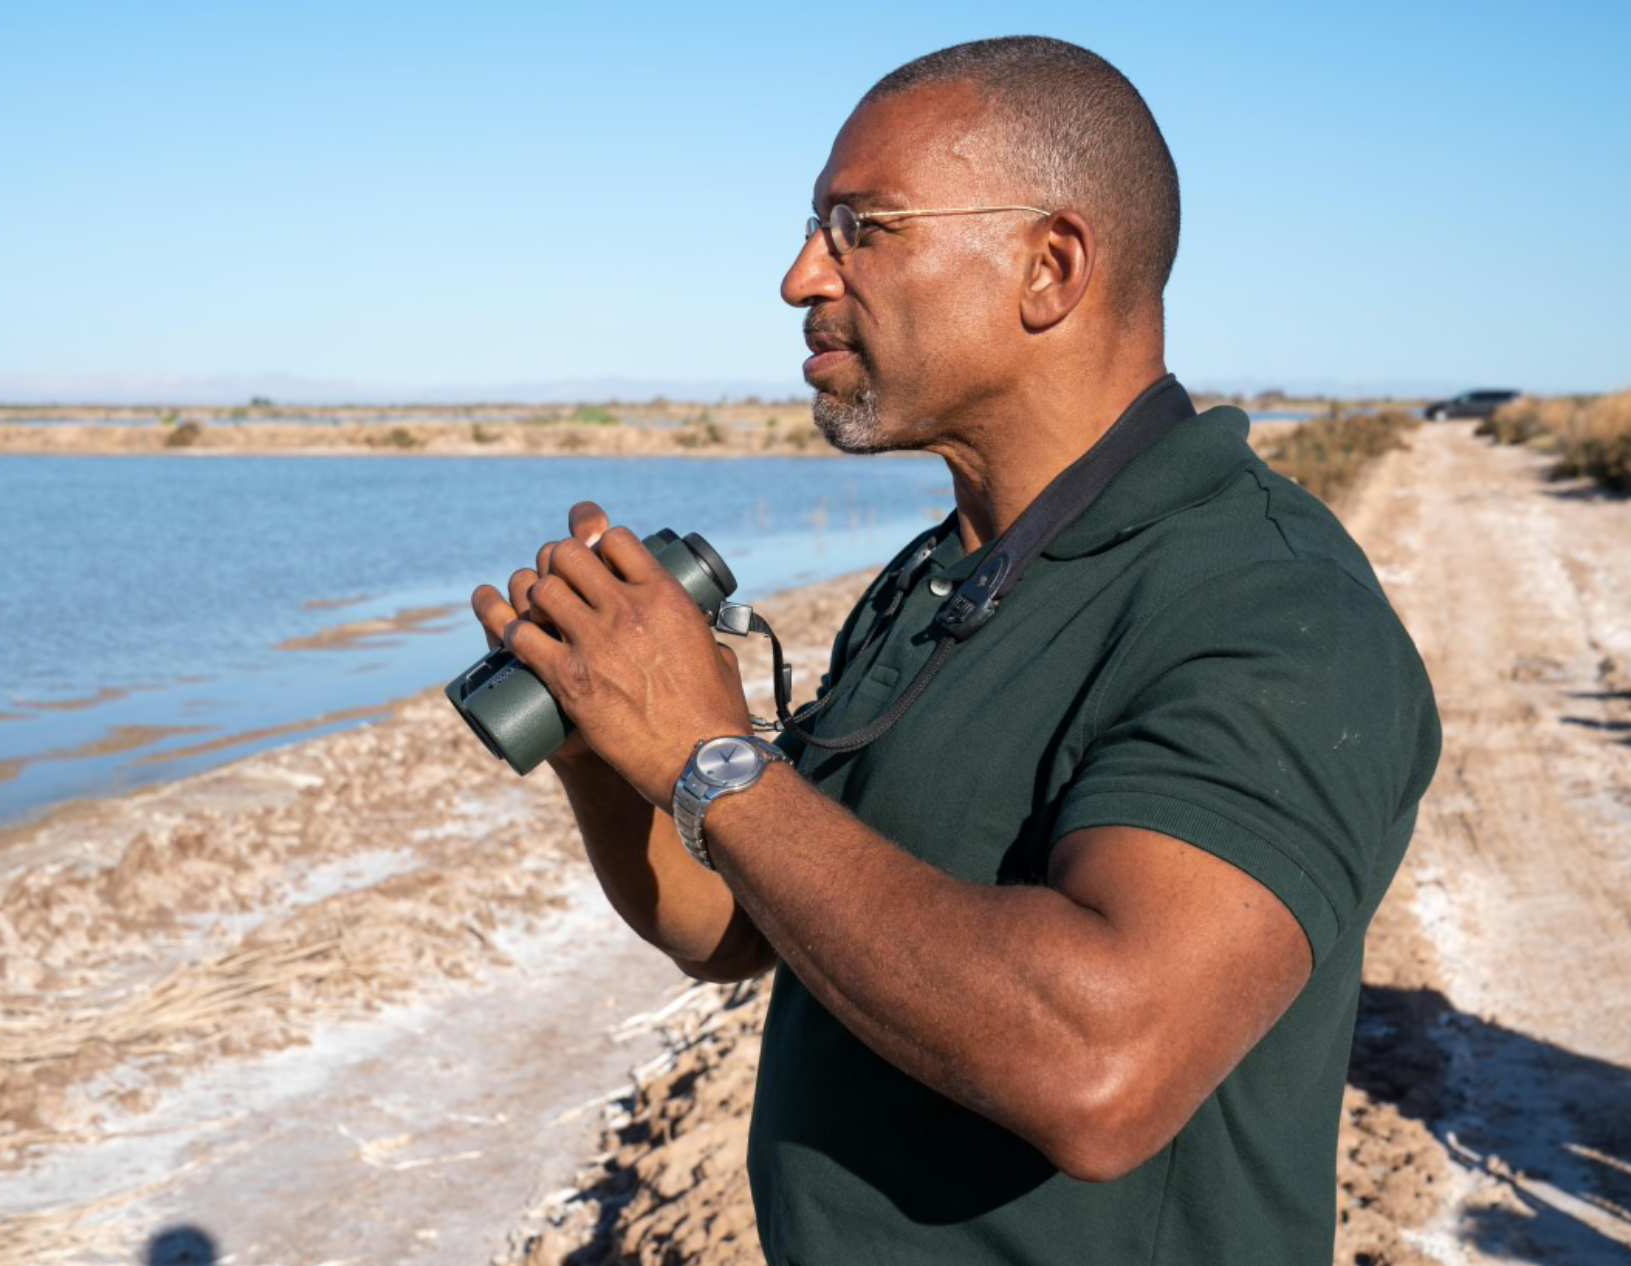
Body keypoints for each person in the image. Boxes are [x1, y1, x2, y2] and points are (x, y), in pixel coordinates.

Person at [469, 35, 1439, 1266]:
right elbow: (738, 923)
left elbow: (1102, 1068)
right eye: (813, 229)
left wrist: (711, 754)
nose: (797, 277)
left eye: (859, 228)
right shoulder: (944, 573)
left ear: (1050, 266)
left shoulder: (1274, 611)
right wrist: (608, 740)